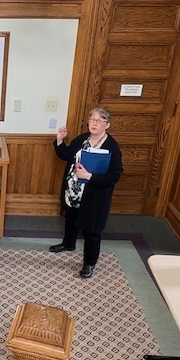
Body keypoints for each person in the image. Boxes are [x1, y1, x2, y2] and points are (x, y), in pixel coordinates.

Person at [50, 107, 123, 278]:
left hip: (94, 196)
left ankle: (89, 263)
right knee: (71, 219)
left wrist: (90, 176)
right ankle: (68, 244)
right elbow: (66, 155)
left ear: (107, 125)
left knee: (91, 230)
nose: (95, 123)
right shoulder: (83, 138)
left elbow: (114, 175)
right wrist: (60, 140)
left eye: (99, 120)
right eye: (92, 119)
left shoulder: (111, 147)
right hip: (73, 191)